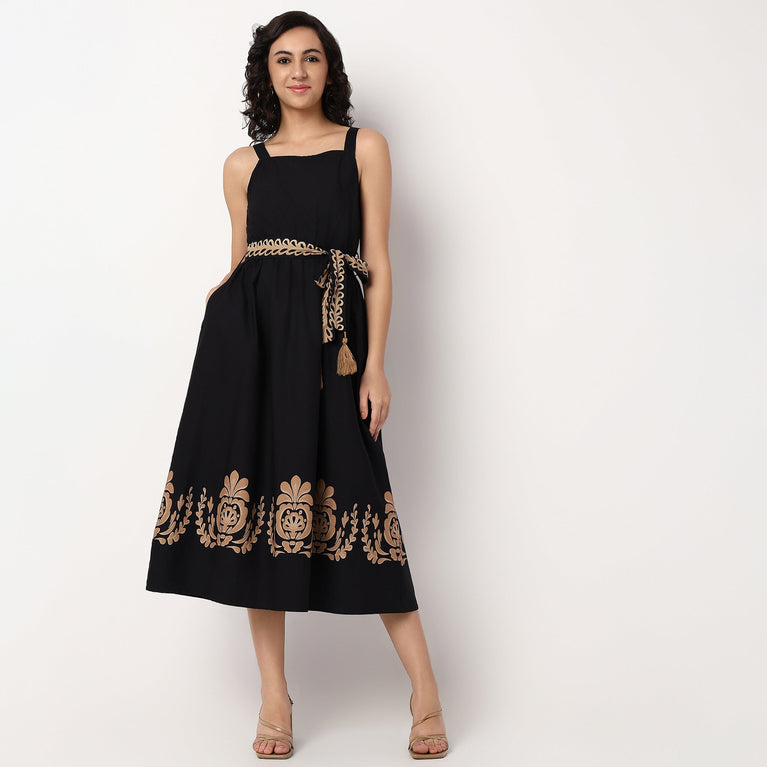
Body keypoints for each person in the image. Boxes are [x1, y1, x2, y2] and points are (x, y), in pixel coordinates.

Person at [145, 10, 449, 760]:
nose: (298, 71)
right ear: (267, 74)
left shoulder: (363, 147)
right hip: (247, 354)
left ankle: (425, 690)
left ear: (328, 69)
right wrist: (222, 311)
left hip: (330, 350)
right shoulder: (242, 165)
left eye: (311, 58)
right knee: (255, 511)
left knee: (364, 504)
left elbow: (378, 262)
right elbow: (242, 263)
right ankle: (274, 698)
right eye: (283, 60)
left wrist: (375, 364)